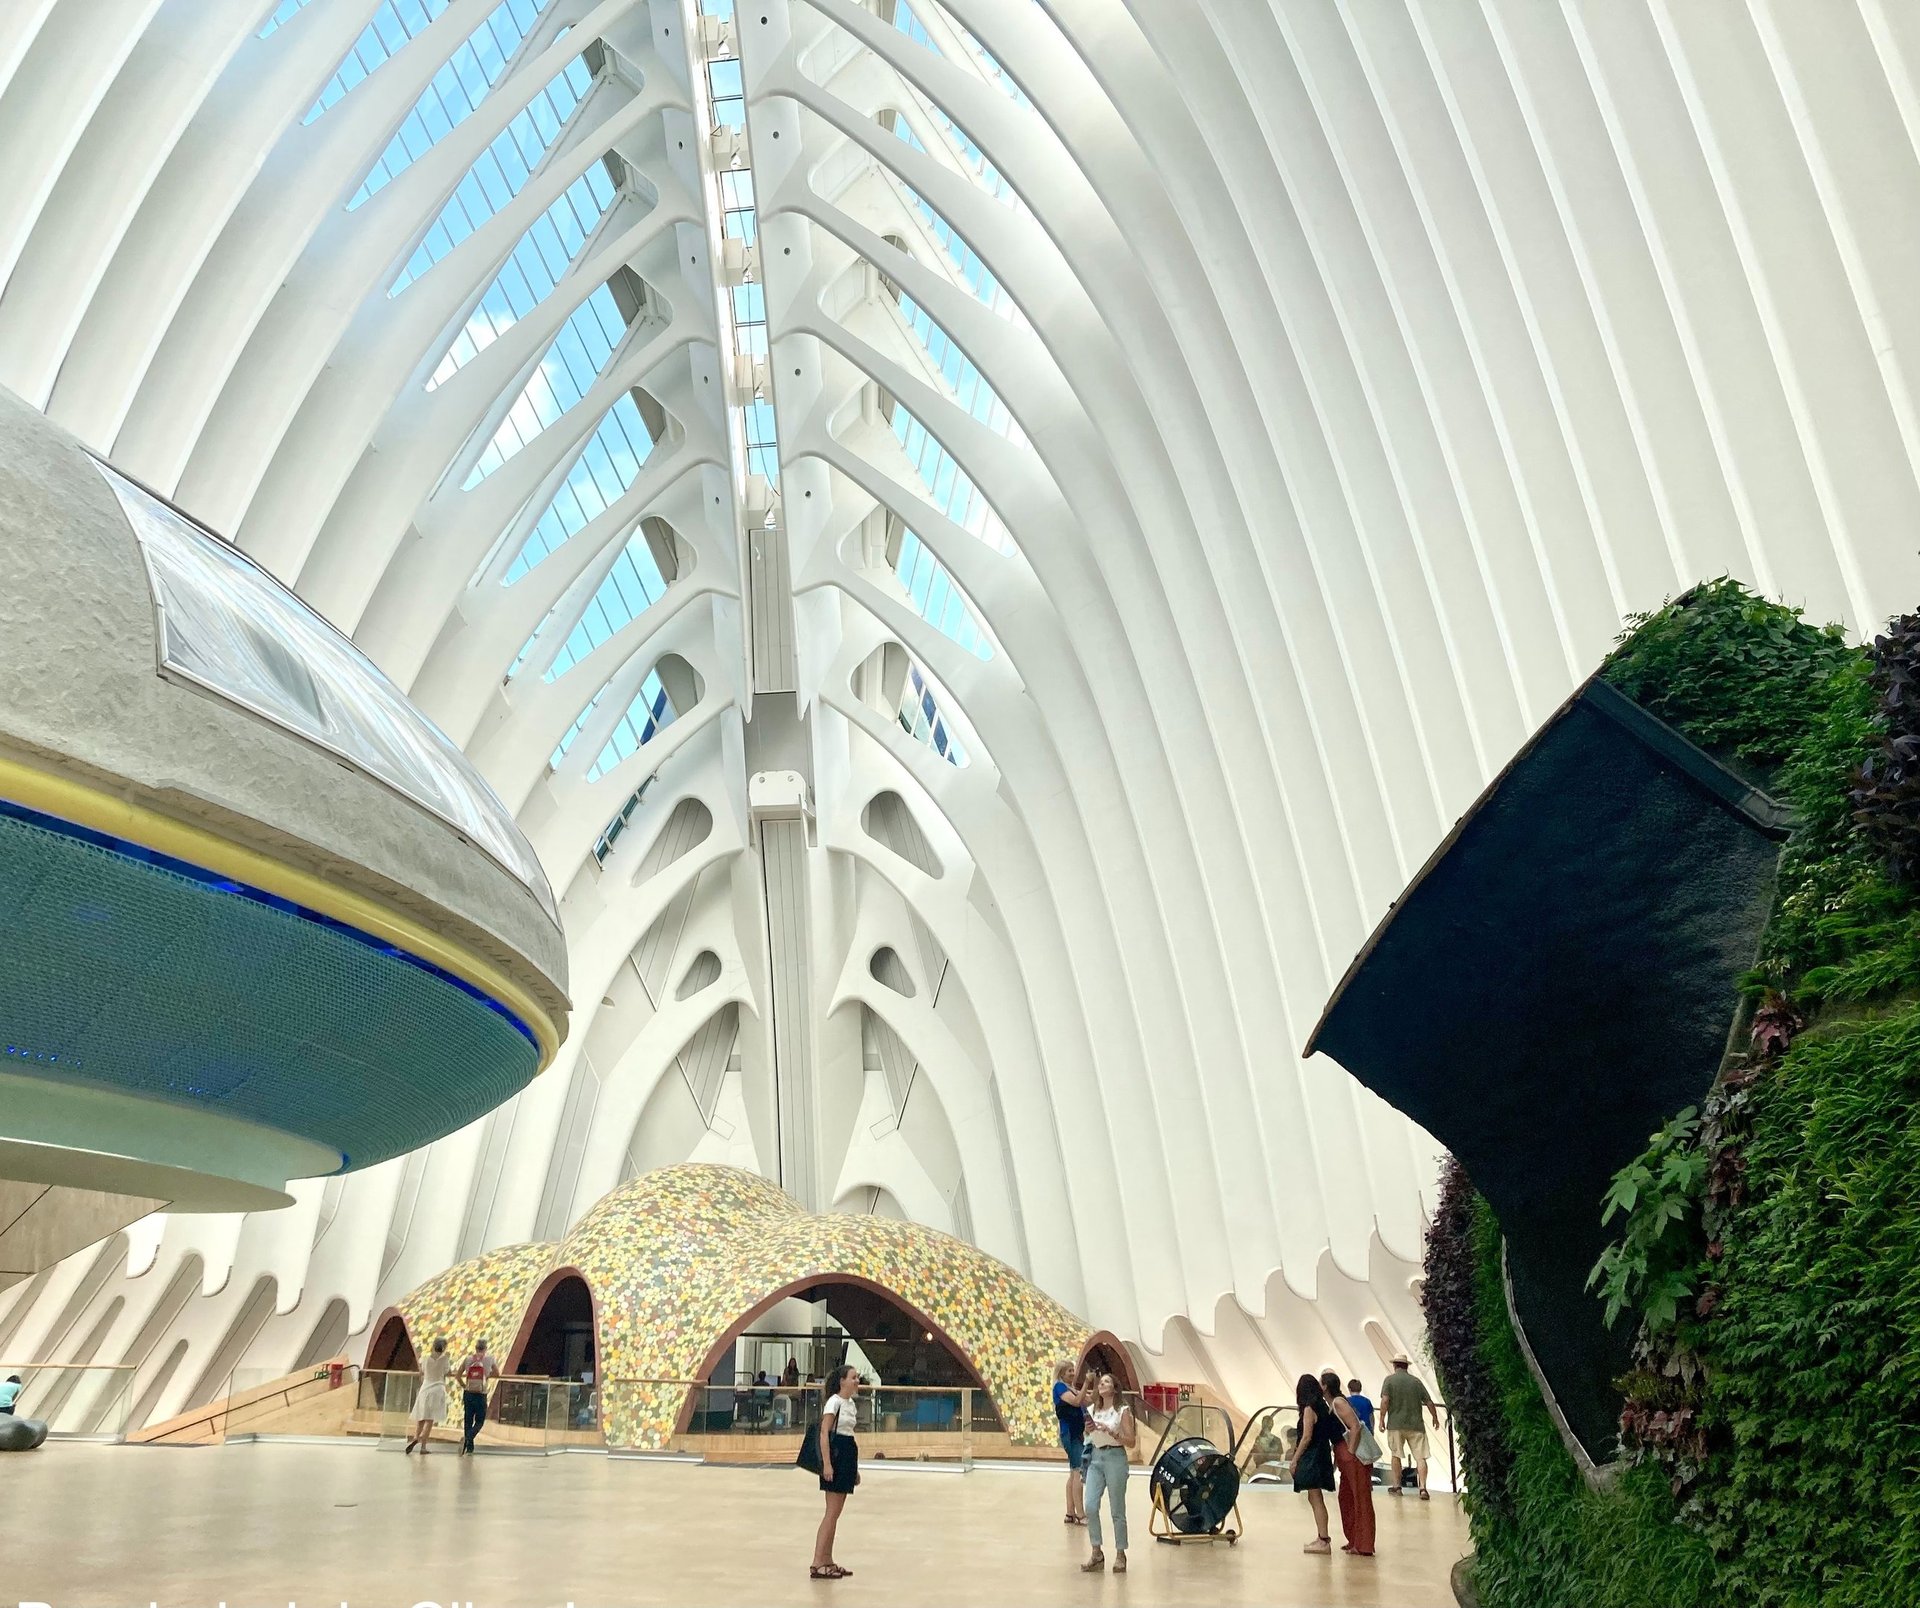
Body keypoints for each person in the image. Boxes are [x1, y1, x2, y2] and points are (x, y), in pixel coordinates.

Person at [1079, 1373, 1137, 1574]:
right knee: (1091, 1505)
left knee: (1117, 1509)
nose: (1102, 1384)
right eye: (1100, 1382)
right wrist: (1089, 1430)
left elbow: (1131, 1441)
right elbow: (1087, 1435)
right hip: (1096, 1457)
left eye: (1107, 1382)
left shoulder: (1122, 1410)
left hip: (1115, 1458)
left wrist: (1113, 1432)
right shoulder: (1092, 1409)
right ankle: (1096, 1551)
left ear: (1114, 1388)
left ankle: (1121, 1553)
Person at [810, 1364, 861, 1580]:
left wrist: (854, 1470)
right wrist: (827, 1464)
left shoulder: (850, 1404)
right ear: (842, 1381)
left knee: (836, 1513)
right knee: (831, 1512)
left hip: (847, 1453)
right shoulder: (834, 1402)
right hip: (836, 1455)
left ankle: (828, 1560)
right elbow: (824, 1433)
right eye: (853, 1377)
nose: (857, 1381)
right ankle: (817, 1562)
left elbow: (849, 1433)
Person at [1321, 1370, 1375, 1557]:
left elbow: (1355, 1426)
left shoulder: (1338, 1403)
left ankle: (1364, 1544)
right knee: (1347, 1498)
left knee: (1359, 1498)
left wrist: (1350, 1452)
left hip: (1350, 1454)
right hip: (1343, 1454)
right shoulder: (1333, 1404)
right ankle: (1355, 1539)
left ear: (1326, 1386)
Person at [1289, 1373, 1343, 1554]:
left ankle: (1323, 1539)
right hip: (1322, 1455)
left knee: (1316, 1497)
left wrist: (1295, 1459)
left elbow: (1306, 1437)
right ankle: (1322, 1537)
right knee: (1314, 1497)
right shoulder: (1322, 1407)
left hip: (1312, 1457)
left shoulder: (1309, 1409)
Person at [1380, 1354, 1441, 1499]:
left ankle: (1397, 1486)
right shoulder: (1416, 1382)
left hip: (1395, 1424)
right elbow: (1429, 1402)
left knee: (1396, 1454)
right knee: (1421, 1457)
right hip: (1416, 1425)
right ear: (1406, 1366)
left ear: (1395, 1365)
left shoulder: (1389, 1380)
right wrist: (1435, 1417)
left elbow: (1385, 1401)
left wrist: (1382, 1418)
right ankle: (1423, 1488)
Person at [1051, 1361, 1093, 1526]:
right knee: (1078, 1472)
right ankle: (1080, 1514)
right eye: (1069, 1370)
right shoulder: (1060, 1388)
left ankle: (1070, 1512)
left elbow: (1088, 1400)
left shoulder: (1071, 1388)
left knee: (1073, 1472)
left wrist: (1094, 1383)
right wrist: (1087, 1383)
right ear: (1061, 1373)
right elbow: (1077, 1402)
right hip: (1070, 1433)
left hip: (1076, 1433)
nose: (1073, 1373)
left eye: (1073, 1370)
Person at [405, 1337, 450, 1455]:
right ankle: (422, 1443)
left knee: (421, 1417)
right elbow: (447, 1372)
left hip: (425, 1388)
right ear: (444, 1347)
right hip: (437, 1389)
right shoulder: (444, 1359)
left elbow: (423, 1371)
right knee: (430, 1419)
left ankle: (416, 1437)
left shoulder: (425, 1358)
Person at [456, 1338, 499, 1455]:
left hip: (468, 1393)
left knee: (468, 1420)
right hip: (481, 1393)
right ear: (485, 1348)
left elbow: (458, 1375)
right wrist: (488, 1375)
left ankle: (469, 1448)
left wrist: (464, 1386)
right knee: (479, 1421)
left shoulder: (468, 1359)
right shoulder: (489, 1359)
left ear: (475, 1348)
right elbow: (497, 1373)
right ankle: (469, 1438)